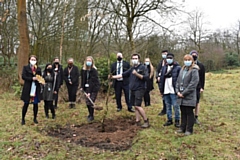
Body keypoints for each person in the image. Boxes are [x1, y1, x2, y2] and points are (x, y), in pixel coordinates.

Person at [110, 53, 150, 128]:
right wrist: (113, 77)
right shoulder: (132, 68)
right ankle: (137, 121)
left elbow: (146, 78)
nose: (134, 60)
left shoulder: (143, 67)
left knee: (138, 105)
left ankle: (146, 120)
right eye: (133, 58)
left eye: (136, 58)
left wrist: (137, 74)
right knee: (135, 106)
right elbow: (123, 75)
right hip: (132, 89)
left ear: (139, 59)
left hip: (140, 89)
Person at [175, 54, 199, 136]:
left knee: (189, 112)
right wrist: (177, 91)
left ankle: (189, 129)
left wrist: (184, 93)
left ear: (192, 61)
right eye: (186, 60)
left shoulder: (194, 70)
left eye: (189, 60)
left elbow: (193, 84)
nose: (187, 61)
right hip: (180, 95)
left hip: (189, 95)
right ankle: (182, 127)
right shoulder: (182, 69)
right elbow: (178, 81)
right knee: (183, 111)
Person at [159, 53, 181, 127]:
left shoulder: (177, 68)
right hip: (166, 89)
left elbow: (179, 80)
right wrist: (161, 90)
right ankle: (169, 119)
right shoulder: (164, 68)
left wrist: (178, 90)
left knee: (176, 106)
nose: (169, 59)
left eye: (170, 58)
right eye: (167, 58)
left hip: (173, 90)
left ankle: (177, 120)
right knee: (168, 105)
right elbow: (161, 79)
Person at [21, 55, 42, 125]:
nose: (33, 61)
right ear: (29, 60)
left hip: (36, 88)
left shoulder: (38, 69)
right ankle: (23, 119)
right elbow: (23, 76)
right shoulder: (26, 68)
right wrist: (31, 79)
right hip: (28, 88)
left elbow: (40, 77)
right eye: (32, 59)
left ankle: (35, 118)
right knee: (26, 104)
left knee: (35, 104)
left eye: (34, 59)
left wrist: (39, 79)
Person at [80, 56, 100, 122]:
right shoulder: (83, 70)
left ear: (92, 62)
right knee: (87, 102)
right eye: (87, 60)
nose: (88, 62)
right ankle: (90, 114)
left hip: (94, 88)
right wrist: (82, 87)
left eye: (90, 61)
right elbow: (83, 79)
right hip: (86, 88)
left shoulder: (94, 71)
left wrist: (89, 92)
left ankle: (91, 116)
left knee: (90, 102)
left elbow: (92, 81)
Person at [189, 50, 205, 125]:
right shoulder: (188, 65)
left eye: (195, 55)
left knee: (197, 103)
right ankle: (190, 117)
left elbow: (202, 77)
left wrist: (202, 87)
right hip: (189, 87)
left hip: (198, 87)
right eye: (193, 54)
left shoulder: (201, 65)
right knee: (189, 102)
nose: (194, 56)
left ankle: (196, 117)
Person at [156, 50, 168, 116]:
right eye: (163, 54)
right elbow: (157, 70)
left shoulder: (169, 63)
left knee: (166, 96)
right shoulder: (160, 62)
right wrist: (157, 76)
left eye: (165, 54)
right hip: (160, 81)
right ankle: (164, 109)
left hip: (166, 81)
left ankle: (166, 109)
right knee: (162, 95)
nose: (164, 55)